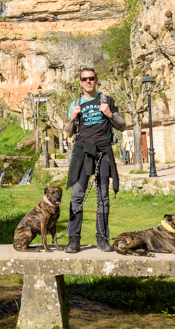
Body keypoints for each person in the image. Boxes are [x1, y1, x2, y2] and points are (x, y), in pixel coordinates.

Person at [62, 67, 126, 253]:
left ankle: (102, 238)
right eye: (84, 79)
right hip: (81, 152)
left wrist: (109, 114)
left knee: (103, 196)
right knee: (77, 195)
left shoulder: (107, 101)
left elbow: (122, 126)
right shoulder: (75, 103)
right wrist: (72, 118)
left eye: (91, 78)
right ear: (80, 83)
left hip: (103, 152)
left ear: (97, 80)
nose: (88, 81)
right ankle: (74, 239)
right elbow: (67, 132)